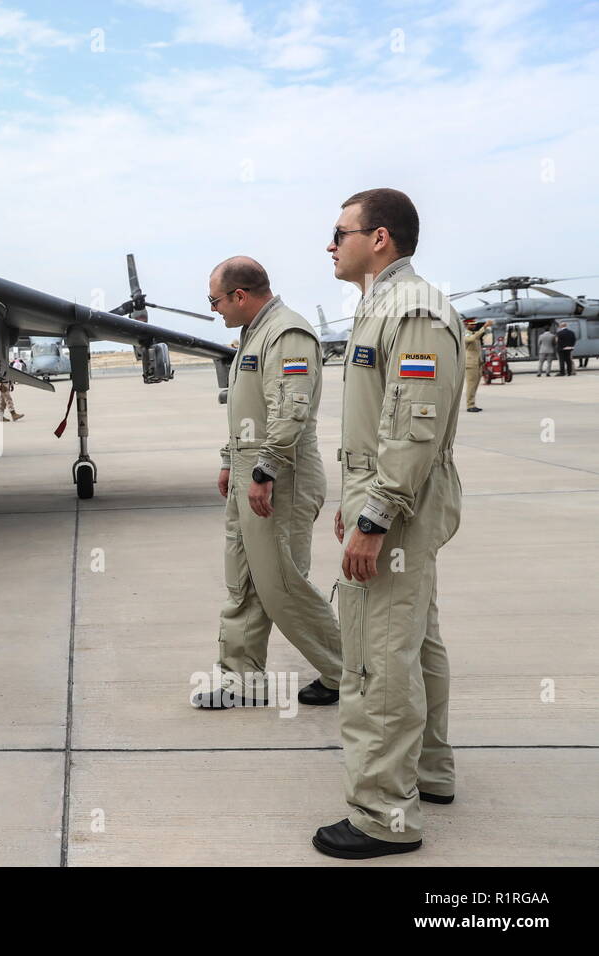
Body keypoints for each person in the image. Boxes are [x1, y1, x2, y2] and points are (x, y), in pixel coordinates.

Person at [316, 187, 462, 859]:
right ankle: (428, 773)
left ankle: (382, 815)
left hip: (395, 514)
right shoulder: (385, 306)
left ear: (379, 239)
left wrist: (373, 518)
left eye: (340, 230)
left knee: (377, 659)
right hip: (392, 505)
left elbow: (412, 427)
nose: (330, 243)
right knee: (415, 643)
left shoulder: (413, 309)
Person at [194, 257, 342, 709]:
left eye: (215, 300)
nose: (215, 309)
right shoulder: (253, 335)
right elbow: (249, 412)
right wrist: (230, 461)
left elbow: (290, 410)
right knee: (244, 581)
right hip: (250, 474)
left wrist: (265, 471)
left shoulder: (287, 334)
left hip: (281, 479)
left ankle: (351, 670)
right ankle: (241, 678)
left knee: (281, 584)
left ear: (240, 295)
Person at [463, 319, 489, 412]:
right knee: (471, 385)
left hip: (477, 362)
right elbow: (471, 339)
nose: (474, 326)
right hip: (470, 363)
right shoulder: (466, 333)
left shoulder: (474, 333)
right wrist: (484, 328)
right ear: (466, 325)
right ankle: (470, 405)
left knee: (475, 385)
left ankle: (472, 403)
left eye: (474, 324)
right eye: (471, 324)